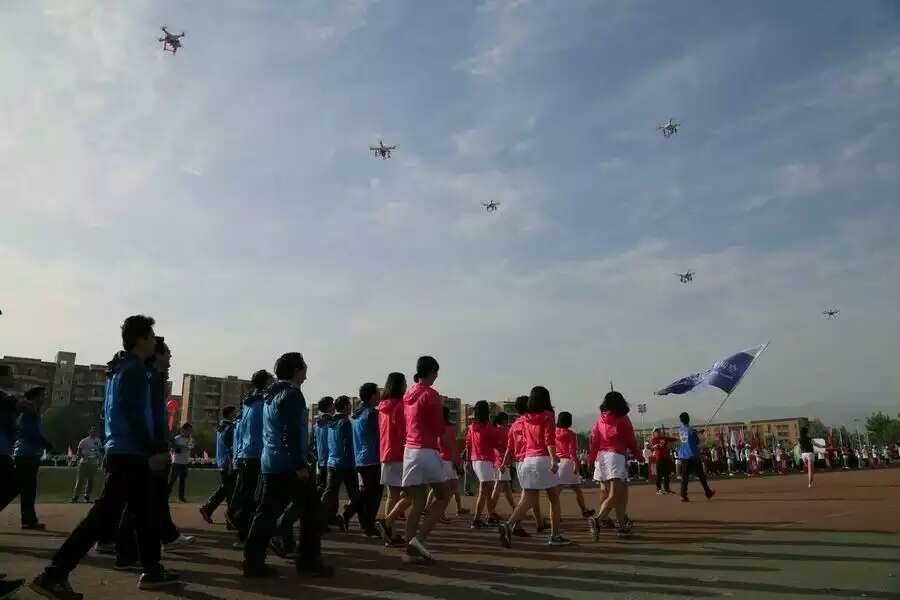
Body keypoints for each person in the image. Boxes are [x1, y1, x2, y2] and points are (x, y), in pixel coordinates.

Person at [31, 315, 178, 599]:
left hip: (123, 449)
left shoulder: (119, 370)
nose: (154, 342)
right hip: (132, 452)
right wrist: (154, 449)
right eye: (151, 336)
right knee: (103, 516)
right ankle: (54, 574)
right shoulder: (134, 371)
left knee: (144, 512)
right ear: (141, 339)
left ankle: (152, 569)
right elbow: (135, 416)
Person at [243, 352, 332, 578]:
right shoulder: (292, 395)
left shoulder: (270, 395)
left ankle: (253, 560)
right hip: (288, 463)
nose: (306, 370)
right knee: (312, 511)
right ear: (296, 370)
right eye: (304, 366)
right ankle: (308, 560)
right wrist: (299, 463)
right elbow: (290, 431)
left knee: (266, 512)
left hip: (271, 461)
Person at [383, 356, 452, 562]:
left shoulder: (408, 395)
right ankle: (419, 539)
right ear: (432, 372)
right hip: (427, 451)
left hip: (410, 451)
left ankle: (410, 550)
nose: (437, 376)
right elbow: (440, 429)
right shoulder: (431, 394)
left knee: (418, 500)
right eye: (436, 372)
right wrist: (456, 457)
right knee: (443, 495)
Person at [498, 386, 569, 548]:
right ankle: (555, 536)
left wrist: (504, 463)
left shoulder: (524, 419)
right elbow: (549, 440)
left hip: (527, 460)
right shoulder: (548, 415)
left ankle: (509, 524)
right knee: (554, 499)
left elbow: (513, 445)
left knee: (528, 499)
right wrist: (554, 460)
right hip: (543, 459)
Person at [587, 391, 643, 539]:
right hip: (615, 456)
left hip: (601, 457)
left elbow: (595, 442)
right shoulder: (623, 419)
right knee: (617, 494)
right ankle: (598, 519)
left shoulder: (600, 420)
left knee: (617, 494)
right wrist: (639, 455)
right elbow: (631, 440)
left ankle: (621, 526)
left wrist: (591, 459)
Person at [229, 370, 272, 549]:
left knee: (248, 496)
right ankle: (252, 537)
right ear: (266, 383)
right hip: (259, 454)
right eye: (271, 381)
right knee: (258, 498)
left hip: (247, 453)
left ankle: (243, 533)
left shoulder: (248, 403)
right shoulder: (264, 402)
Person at [374, 373, 409, 547]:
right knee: (414, 494)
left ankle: (391, 533)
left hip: (386, 454)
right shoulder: (400, 406)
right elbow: (403, 432)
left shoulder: (382, 407)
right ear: (399, 386)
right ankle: (387, 523)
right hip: (399, 454)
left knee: (392, 496)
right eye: (404, 383)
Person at [504, 395, 546, 536]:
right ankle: (510, 524)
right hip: (530, 460)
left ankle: (536, 523)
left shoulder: (514, 425)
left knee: (529, 495)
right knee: (529, 497)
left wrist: (504, 462)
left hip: (519, 463)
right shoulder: (530, 422)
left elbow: (509, 447)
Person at [321, 396, 364, 533]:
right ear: (345, 406)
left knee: (329, 494)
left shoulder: (331, 422)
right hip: (346, 464)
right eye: (349, 405)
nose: (351, 407)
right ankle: (355, 520)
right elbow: (347, 444)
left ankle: (320, 519)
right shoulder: (345, 422)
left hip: (332, 463)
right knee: (355, 496)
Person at [15, 386, 52, 530]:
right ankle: (28, 520)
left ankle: (29, 520)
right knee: (27, 489)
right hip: (25, 454)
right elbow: (30, 431)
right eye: (42, 395)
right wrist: (44, 442)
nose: (44, 398)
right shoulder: (30, 411)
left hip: (30, 453)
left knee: (28, 489)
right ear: (35, 397)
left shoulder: (34, 411)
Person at [351, 383, 381, 537]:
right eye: (378, 393)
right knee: (374, 495)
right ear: (372, 396)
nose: (380, 395)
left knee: (366, 492)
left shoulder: (355, 415)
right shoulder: (372, 414)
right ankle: (367, 524)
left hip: (360, 458)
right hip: (372, 458)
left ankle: (364, 523)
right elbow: (380, 436)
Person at [466, 400, 501, 528]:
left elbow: (468, 444)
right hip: (486, 461)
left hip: (476, 461)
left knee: (487, 491)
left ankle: (490, 516)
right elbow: (496, 443)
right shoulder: (488, 427)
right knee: (484, 491)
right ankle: (476, 519)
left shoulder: (471, 427)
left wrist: (468, 461)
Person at [200, 406, 238, 524]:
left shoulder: (221, 426)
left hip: (222, 462)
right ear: (230, 414)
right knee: (229, 489)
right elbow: (231, 447)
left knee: (227, 489)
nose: (236, 414)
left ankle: (211, 510)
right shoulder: (229, 428)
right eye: (234, 412)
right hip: (228, 463)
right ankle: (210, 509)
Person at [427, 406, 464, 523]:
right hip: (448, 460)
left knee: (446, 488)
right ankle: (437, 511)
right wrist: (458, 461)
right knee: (451, 488)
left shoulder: (435, 428)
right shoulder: (448, 429)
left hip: (440, 459)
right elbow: (453, 446)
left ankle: (437, 511)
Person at [555, 412, 593, 518]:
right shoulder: (570, 434)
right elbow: (572, 451)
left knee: (557, 491)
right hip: (568, 462)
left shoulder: (554, 432)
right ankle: (584, 510)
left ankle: (556, 513)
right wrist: (576, 463)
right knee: (577, 490)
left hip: (557, 461)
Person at [0, 366, 24, 518]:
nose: (13, 378)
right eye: (10, 375)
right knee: (14, 484)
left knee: (14, 484)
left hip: (4, 450)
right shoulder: (5, 398)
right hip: (1, 451)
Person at [677, 412, 715, 502]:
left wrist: (698, 432)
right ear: (688, 419)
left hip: (684, 456)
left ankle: (683, 495)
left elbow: (689, 435)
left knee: (684, 477)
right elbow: (696, 441)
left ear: (681, 421)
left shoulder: (680, 430)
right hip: (693, 456)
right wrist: (699, 434)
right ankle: (708, 492)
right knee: (701, 475)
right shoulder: (692, 430)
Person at [489, 413, 516, 519]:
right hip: (503, 462)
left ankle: (515, 508)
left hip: (496, 461)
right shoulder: (506, 431)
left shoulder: (494, 431)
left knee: (506, 488)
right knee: (498, 487)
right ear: (504, 420)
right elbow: (509, 447)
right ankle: (491, 512)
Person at [71, 427, 103, 503]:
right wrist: (80, 457)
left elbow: (100, 450)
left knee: (91, 481)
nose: (93, 432)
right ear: (89, 432)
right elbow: (79, 451)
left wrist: (99, 460)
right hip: (84, 463)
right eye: (92, 431)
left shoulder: (98, 440)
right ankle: (75, 497)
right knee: (80, 480)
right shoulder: (84, 441)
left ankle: (87, 496)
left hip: (94, 463)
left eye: (95, 431)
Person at [313, 397, 334, 496]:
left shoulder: (317, 425)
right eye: (333, 405)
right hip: (330, 460)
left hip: (321, 459)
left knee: (322, 485)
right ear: (329, 407)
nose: (334, 407)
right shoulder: (330, 423)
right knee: (328, 488)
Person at [167, 422, 194, 501]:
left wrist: (182, 447)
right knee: (172, 481)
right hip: (176, 463)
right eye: (188, 430)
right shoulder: (177, 438)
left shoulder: (191, 439)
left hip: (185, 463)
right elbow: (172, 448)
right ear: (183, 430)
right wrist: (176, 448)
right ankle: (165, 496)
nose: (189, 432)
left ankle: (181, 497)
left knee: (182, 481)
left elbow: (190, 446)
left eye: (190, 430)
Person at [649, 428, 678, 495]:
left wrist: (677, 438)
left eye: (659, 431)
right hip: (659, 459)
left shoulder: (664, 438)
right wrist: (656, 445)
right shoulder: (654, 439)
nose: (658, 432)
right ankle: (658, 489)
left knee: (666, 474)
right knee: (659, 475)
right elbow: (652, 446)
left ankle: (667, 489)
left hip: (666, 459)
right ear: (654, 433)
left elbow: (673, 439)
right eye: (656, 431)